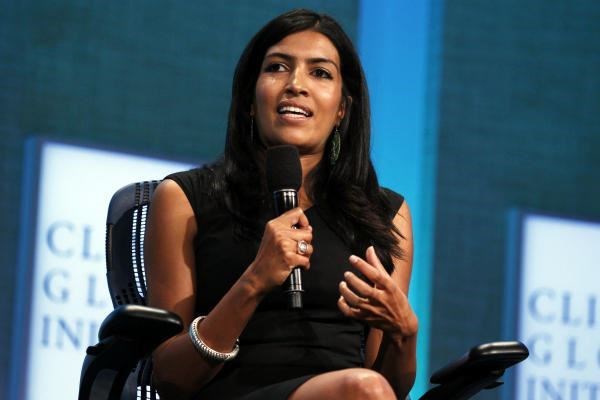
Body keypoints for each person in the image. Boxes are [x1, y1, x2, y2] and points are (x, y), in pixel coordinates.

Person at [145, 8, 418, 400]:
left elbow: (390, 387)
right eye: (277, 68)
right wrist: (255, 280)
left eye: (320, 73)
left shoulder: (385, 215)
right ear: (249, 100)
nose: (296, 84)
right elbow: (170, 377)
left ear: (342, 108)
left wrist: (405, 333)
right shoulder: (185, 200)